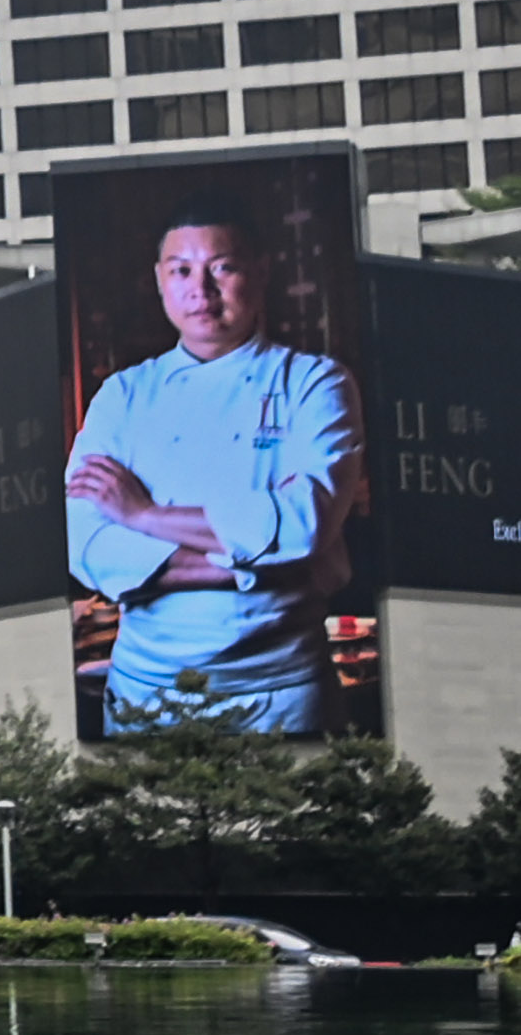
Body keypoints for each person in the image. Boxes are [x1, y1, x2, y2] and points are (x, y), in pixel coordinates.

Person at [64, 204, 356, 734]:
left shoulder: (315, 383)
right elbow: (84, 544)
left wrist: (142, 514)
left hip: (281, 691)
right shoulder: (123, 396)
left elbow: (306, 523)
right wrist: (259, 563)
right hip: (144, 692)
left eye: (222, 267)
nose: (201, 288)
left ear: (261, 272)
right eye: (181, 271)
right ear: (159, 280)